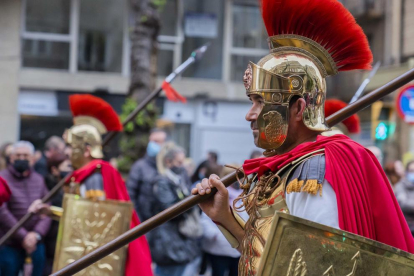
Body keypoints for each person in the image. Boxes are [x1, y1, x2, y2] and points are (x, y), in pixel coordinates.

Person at [192, 0, 414, 275]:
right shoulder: (289, 167)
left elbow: (321, 268)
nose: (250, 114)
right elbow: (271, 260)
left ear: (298, 108)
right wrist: (224, 217)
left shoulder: (311, 173)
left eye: (261, 102)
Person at [30, 94, 153, 276]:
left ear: (86, 150)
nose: (67, 152)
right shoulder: (84, 175)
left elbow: (93, 223)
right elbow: (80, 218)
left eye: (71, 147)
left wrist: (51, 211)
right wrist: (49, 211)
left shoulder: (95, 176)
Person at [148, 143, 201, 276]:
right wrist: (190, 203)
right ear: (168, 161)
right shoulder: (162, 181)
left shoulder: (179, 178)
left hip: (178, 240)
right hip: (167, 242)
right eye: (179, 162)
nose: (182, 166)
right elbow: (170, 210)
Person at [0, 141, 51, 276]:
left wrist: (36, 234)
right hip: (10, 243)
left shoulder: (39, 179)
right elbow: (2, 211)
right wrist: (23, 236)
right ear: (11, 158)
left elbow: (47, 208)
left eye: (25, 155)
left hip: (36, 243)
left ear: (32, 159)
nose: (21, 158)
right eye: (18, 155)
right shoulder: (3, 178)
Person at [200, 165, 247, 276]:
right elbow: (205, 220)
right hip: (218, 247)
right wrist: (215, 235)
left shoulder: (244, 194)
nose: (237, 181)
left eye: (239, 177)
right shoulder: (215, 194)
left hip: (239, 250)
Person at [126, 128, 167, 221]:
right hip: (145, 222)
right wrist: (138, 221)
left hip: (165, 225)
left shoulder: (169, 166)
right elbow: (130, 195)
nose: (157, 145)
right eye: (155, 141)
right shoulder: (139, 167)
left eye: (161, 141)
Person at [394, 160, 414, 235]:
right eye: (411, 170)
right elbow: (402, 203)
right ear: (406, 172)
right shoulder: (400, 185)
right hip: (408, 226)